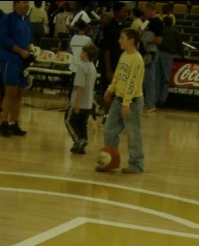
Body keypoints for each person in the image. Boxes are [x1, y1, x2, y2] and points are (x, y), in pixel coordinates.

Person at [98, 27, 144, 174]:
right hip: (118, 99)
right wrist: (111, 88)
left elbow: (133, 82)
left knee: (133, 134)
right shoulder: (124, 55)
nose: (119, 41)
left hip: (132, 103)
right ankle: (111, 162)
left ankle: (136, 165)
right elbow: (118, 73)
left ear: (131, 41)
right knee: (109, 130)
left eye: (122, 38)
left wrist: (126, 103)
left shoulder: (137, 59)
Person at [0, 0, 32, 137]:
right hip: (10, 60)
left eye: (28, 2)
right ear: (16, 4)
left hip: (23, 62)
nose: (27, 5)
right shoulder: (8, 19)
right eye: (24, 2)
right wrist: (19, 51)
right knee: (10, 91)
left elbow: (28, 41)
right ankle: (3, 123)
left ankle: (13, 123)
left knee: (19, 92)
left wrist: (30, 51)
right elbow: (4, 39)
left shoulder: (27, 21)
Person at [65, 42, 98, 154]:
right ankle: (81, 146)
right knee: (82, 124)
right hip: (88, 103)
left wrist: (77, 104)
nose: (80, 53)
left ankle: (79, 140)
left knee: (68, 120)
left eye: (82, 51)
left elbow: (80, 88)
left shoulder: (82, 67)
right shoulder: (93, 67)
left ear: (86, 53)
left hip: (78, 102)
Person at [155, 12, 182, 108]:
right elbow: (179, 45)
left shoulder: (160, 30)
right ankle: (162, 100)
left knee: (157, 78)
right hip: (168, 55)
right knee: (166, 79)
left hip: (158, 53)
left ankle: (155, 99)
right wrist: (183, 56)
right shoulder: (175, 32)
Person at [140, 2, 162, 114]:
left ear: (150, 10)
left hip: (151, 53)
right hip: (144, 52)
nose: (144, 12)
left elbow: (159, 40)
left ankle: (150, 104)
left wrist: (147, 40)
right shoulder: (146, 21)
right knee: (144, 79)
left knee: (150, 79)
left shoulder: (157, 22)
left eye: (145, 10)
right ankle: (145, 103)